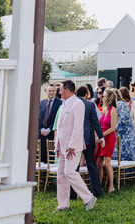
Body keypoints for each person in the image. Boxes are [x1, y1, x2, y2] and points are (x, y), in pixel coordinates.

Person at [55, 80, 97, 212]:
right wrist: (57, 144)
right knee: (61, 175)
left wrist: (72, 145)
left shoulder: (78, 104)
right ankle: (63, 204)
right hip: (62, 146)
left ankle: (88, 197)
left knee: (69, 172)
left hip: (73, 146)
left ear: (67, 90)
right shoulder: (63, 104)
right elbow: (60, 127)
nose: (59, 91)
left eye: (60, 89)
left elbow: (78, 126)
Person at [70, 86, 104, 200]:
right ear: (86, 94)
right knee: (91, 165)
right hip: (88, 138)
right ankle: (96, 192)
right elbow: (95, 122)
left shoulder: (72, 104)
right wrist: (101, 137)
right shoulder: (90, 104)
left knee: (74, 167)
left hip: (75, 138)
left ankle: (73, 194)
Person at [114, 89, 135, 182]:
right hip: (122, 133)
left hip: (128, 133)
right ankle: (126, 176)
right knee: (123, 154)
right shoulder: (115, 105)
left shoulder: (120, 104)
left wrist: (115, 128)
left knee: (130, 154)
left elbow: (124, 119)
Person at [96, 88, 118, 193]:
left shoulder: (113, 110)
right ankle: (99, 185)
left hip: (109, 137)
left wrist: (101, 135)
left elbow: (113, 128)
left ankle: (111, 186)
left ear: (108, 97)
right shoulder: (104, 109)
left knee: (107, 162)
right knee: (98, 162)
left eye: (104, 95)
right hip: (101, 137)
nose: (102, 97)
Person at [38, 84, 62, 162]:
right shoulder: (41, 103)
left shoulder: (60, 103)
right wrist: (41, 129)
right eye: (49, 91)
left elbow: (58, 119)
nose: (51, 92)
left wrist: (49, 129)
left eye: (53, 91)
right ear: (46, 91)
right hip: (41, 135)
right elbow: (37, 118)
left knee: (51, 158)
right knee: (41, 157)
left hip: (52, 134)